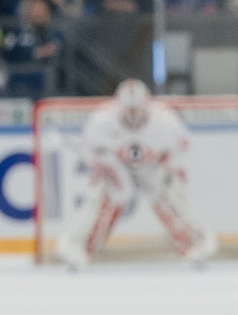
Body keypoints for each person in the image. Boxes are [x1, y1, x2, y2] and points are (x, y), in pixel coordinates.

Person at [52, 78, 216, 267]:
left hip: (152, 165)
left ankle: (193, 244)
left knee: (166, 193)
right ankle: (80, 246)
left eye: (136, 109)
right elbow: (88, 148)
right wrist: (102, 166)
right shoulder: (101, 121)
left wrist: (170, 167)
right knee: (109, 195)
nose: (132, 114)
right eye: (128, 109)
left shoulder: (165, 121)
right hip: (116, 164)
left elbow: (183, 146)